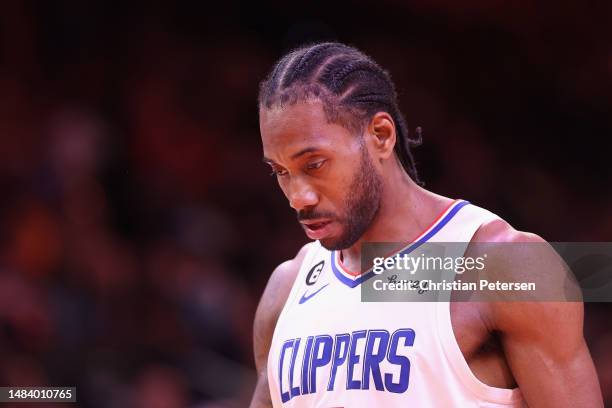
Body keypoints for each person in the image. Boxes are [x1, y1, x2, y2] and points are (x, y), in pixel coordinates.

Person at [249, 42, 603, 407]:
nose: (297, 196)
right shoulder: (286, 289)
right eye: (281, 172)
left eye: (314, 164)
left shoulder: (502, 264)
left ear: (381, 136)